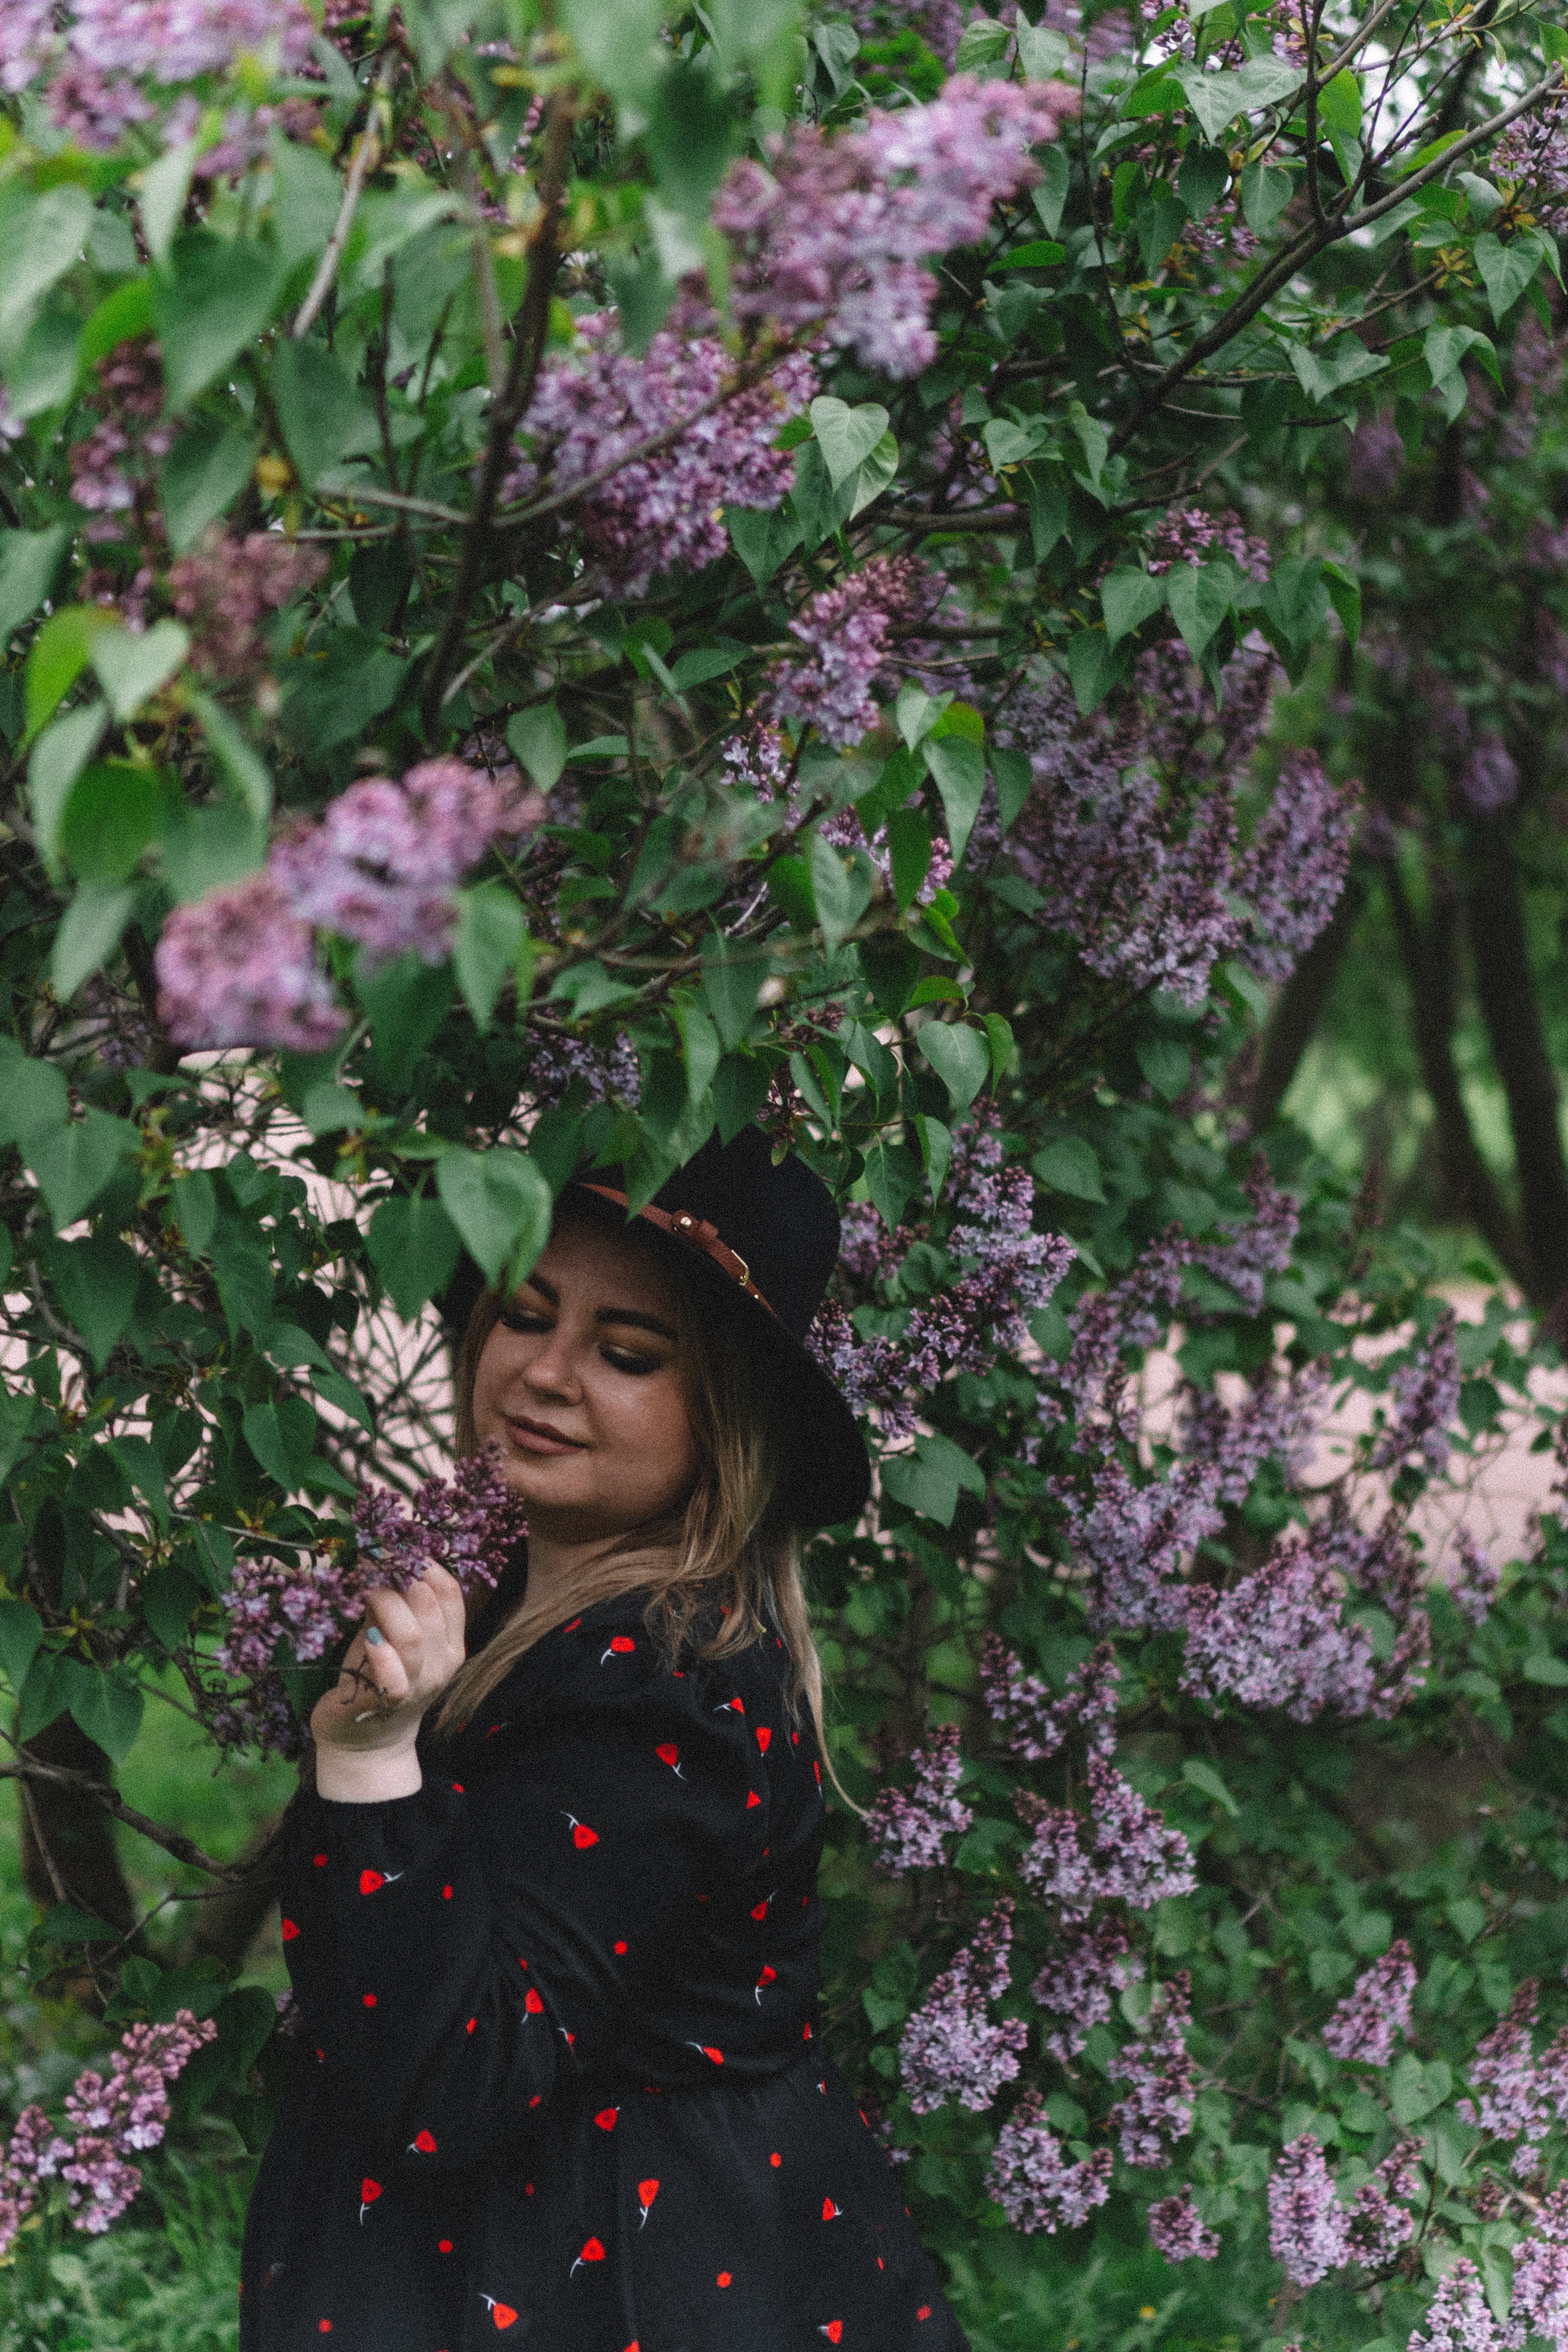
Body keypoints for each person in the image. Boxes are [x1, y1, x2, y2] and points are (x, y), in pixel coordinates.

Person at [240, 1123, 971, 2350]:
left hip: (606, 2272)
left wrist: (374, 1763)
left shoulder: (664, 1684)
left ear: (724, 1419)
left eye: (626, 1351)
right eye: (527, 1315)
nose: (544, 1371)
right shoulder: (510, 1590)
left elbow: (454, 2084)